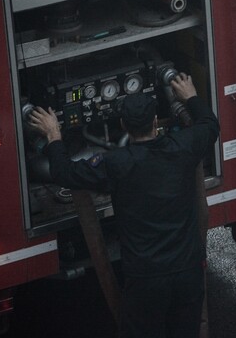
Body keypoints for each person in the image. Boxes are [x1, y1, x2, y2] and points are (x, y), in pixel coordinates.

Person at [28, 73, 220, 338]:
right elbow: (210, 125)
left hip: (146, 282)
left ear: (123, 125)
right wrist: (191, 97)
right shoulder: (183, 147)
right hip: (188, 273)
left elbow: (64, 173)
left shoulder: (116, 165)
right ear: (156, 122)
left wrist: (53, 135)